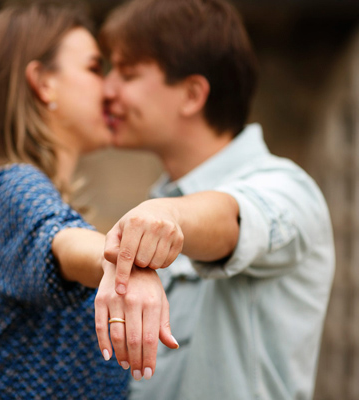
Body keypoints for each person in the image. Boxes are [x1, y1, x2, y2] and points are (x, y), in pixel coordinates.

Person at [0, 2, 177, 399]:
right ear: (44, 83)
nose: (111, 88)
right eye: (95, 68)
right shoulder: (7, 189)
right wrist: (123, 264)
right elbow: (58, 238)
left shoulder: (10, 195)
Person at [94, 0, 335, 399]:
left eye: (128, 73)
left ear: (192, 94)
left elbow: (233, 219)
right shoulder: (161, 202)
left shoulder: (289, 189)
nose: (107, 88)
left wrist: (168, 214)